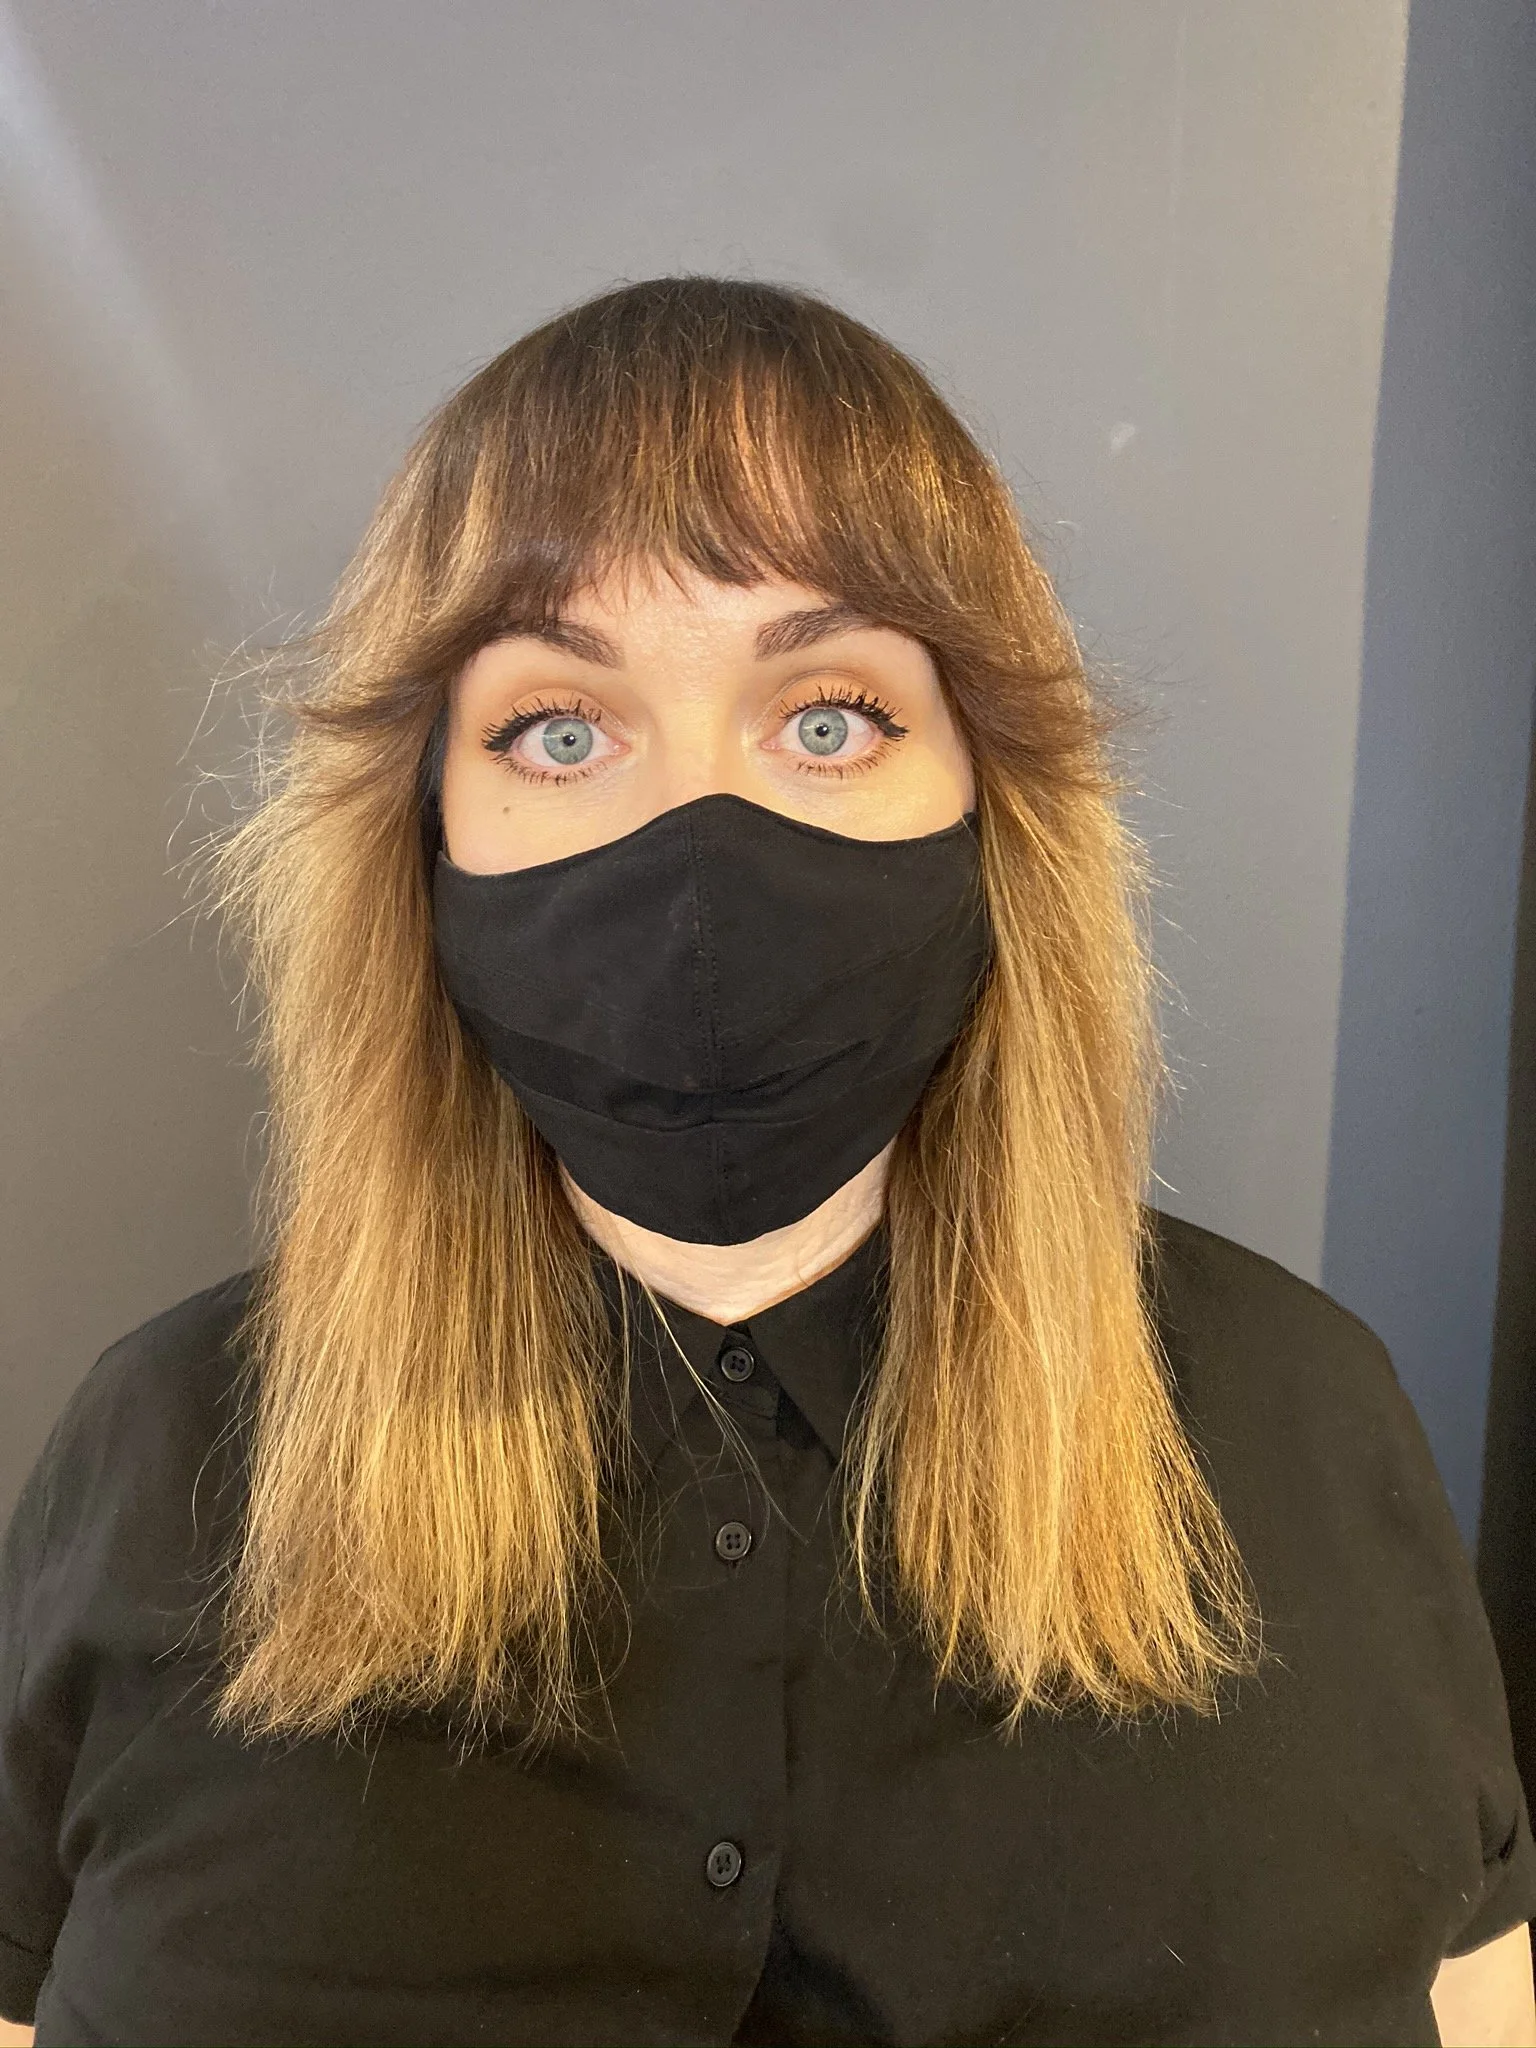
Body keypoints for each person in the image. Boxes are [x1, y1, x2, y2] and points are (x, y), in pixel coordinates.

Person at [0, 276, 1532, 2048]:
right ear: (419, 846)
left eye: (829, 717)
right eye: (560, 733)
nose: (698, 850)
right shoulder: (170, 1454)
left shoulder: (1300, 1428)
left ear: (991, 814)